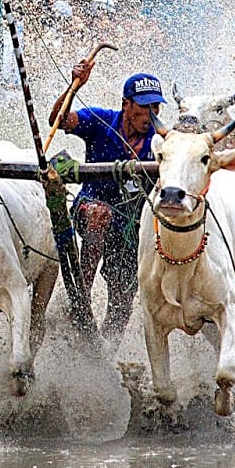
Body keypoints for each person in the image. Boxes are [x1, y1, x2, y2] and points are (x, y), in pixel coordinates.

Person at [48, 65, 164, 339]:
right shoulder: (100, 120)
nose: (151, 115)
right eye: (144, 107)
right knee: (99, 214)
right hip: (90, 206)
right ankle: (80, 299)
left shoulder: (160, 141)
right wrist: (75, 87)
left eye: (156, 108)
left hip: (131, 228)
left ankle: (103, 357)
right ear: (126, 105)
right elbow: (58, 119)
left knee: (122, 300)